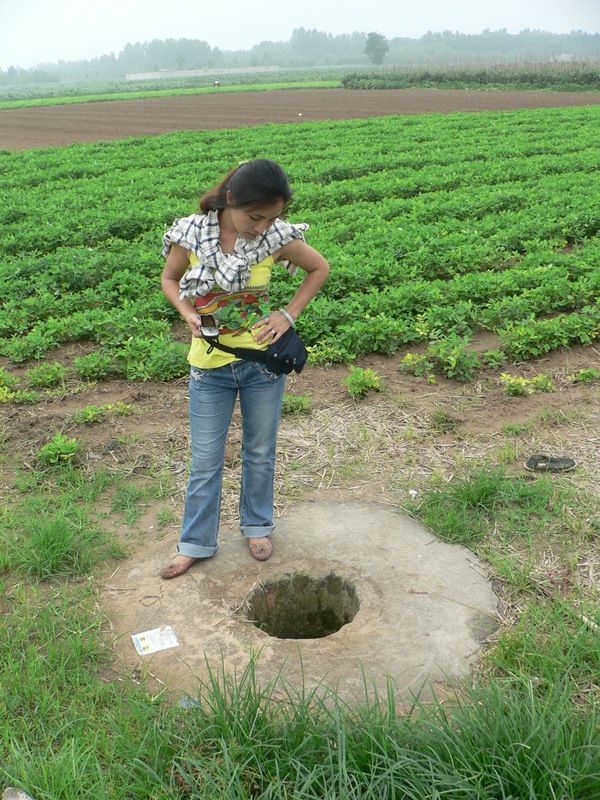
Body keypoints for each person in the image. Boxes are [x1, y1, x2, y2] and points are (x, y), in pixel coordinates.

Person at [159, 159, 330, 579]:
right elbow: (169, 279)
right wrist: (187, 313)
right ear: (231, 199)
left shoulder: (274, 236)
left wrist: (286, 315)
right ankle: (195, 542)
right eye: (256, 216)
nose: (262, 226)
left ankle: (256, 525)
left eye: (272, 217)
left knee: (259, 452)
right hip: (209, 369)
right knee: (205, 459)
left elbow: (318, 268)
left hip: (261, 367)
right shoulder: (193, 233)